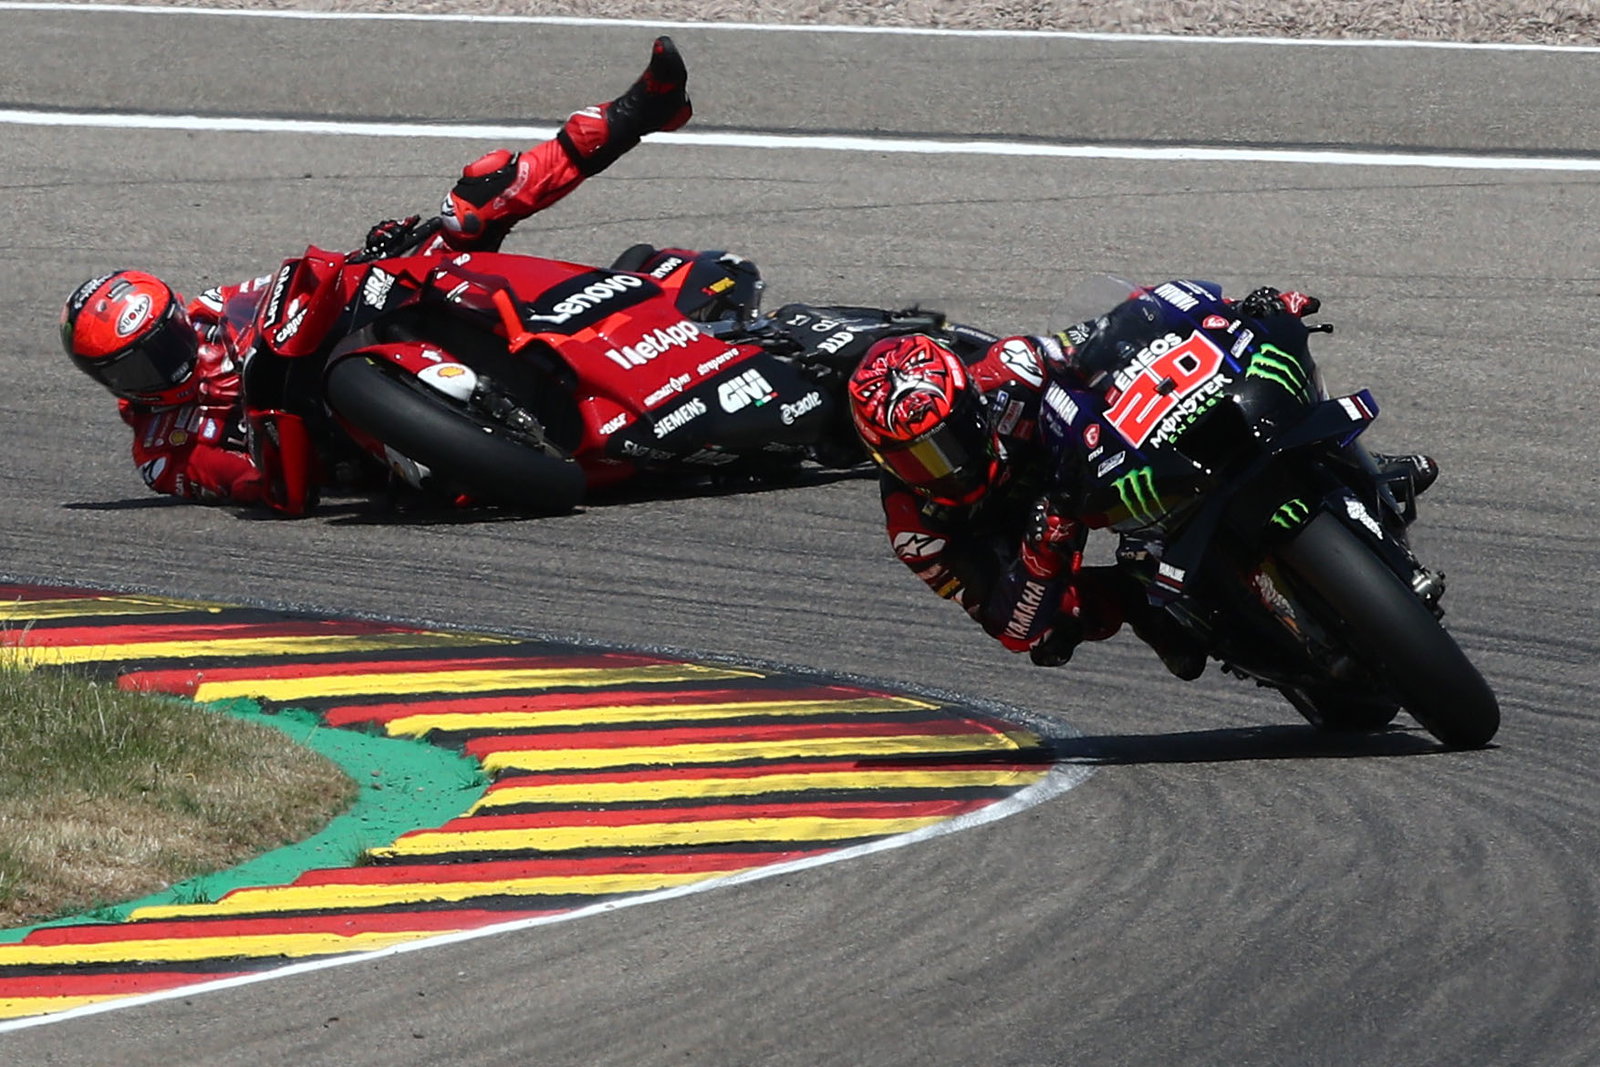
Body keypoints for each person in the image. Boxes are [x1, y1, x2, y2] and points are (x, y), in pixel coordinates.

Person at [58, 37, 692, 512]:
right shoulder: (161, 453)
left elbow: (295, 307)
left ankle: (638, 113)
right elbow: (255, 486)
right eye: (138, 366)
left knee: (473, 203)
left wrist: (370, 259)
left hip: (365, 353)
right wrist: (261, 432)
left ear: (173, 316)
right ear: (110, 380)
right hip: (352, 454)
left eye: (163, 342)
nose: (168, 363)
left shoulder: (212, 312)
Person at [845, 284, 1439, 679]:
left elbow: (1108, 333)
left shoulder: (1009, 367)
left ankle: (1356, 468)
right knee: (1059, 627)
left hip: (1088, 464)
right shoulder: (917, 529)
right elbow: (1012, 626)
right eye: (912, 462)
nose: (937, 470)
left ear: (971, 406)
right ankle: (1159, 606)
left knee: (1243, 397)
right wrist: (1045, 546)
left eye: (940, 449)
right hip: (1034, 543)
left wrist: (1231, 311)